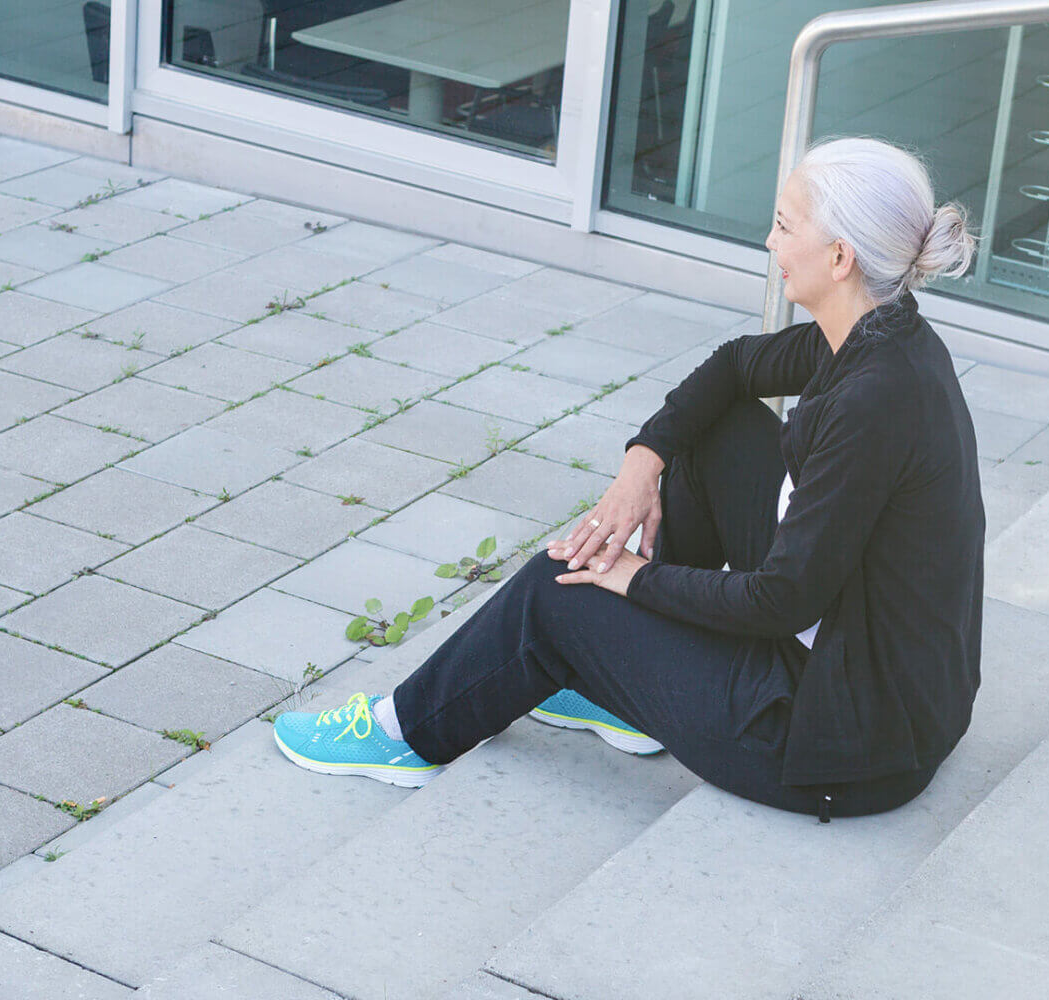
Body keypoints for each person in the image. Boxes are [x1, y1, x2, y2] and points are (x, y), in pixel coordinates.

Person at [272, 137, 986, 820]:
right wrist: (641, 463)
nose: (770, 243)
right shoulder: (883, 337)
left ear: (839, 256)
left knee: (557, 591)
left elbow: (780, 600)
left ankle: (402, 733)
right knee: (717, 434)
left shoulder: (872, 402)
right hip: (877, 685)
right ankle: (628, 687)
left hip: (838, 748)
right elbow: (737, 366)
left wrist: (630, 579)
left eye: (783, 226)